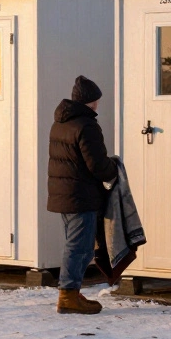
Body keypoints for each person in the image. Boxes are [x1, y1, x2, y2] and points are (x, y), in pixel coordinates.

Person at [47, 75, 118, 315]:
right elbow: (96, 164)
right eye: (97, 100)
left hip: (64, 193)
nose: (98, 104)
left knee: (75, 244)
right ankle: (68, 295)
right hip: (80, 194)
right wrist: (114, 169)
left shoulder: (61, 122)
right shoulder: (86, 125)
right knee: (80, 247)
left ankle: (72, 293)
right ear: (91, 101)